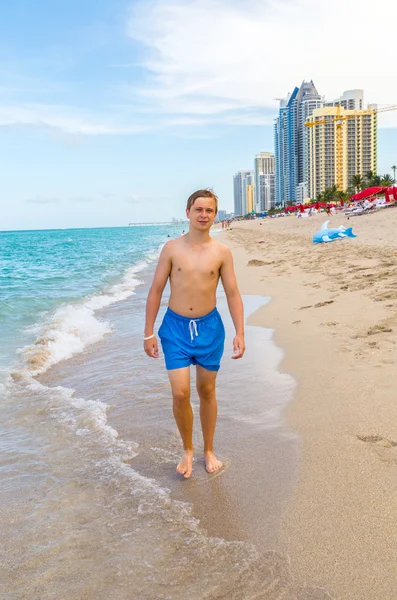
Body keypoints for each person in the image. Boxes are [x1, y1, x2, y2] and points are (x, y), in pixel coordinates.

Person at [144, 189, 245, 479]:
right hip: (175, 329)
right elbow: (155, 291)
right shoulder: (172, 249)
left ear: (216, 215)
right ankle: (187, 449)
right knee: (180, 392)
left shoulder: (221, 252)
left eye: (209, 210)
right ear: (188, 212)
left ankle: (208, 449)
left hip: (209, 329)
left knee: (206, 391)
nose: (203, 215)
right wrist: (148, 333)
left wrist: (240, 332)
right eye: (198, 209)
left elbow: (233, 293)